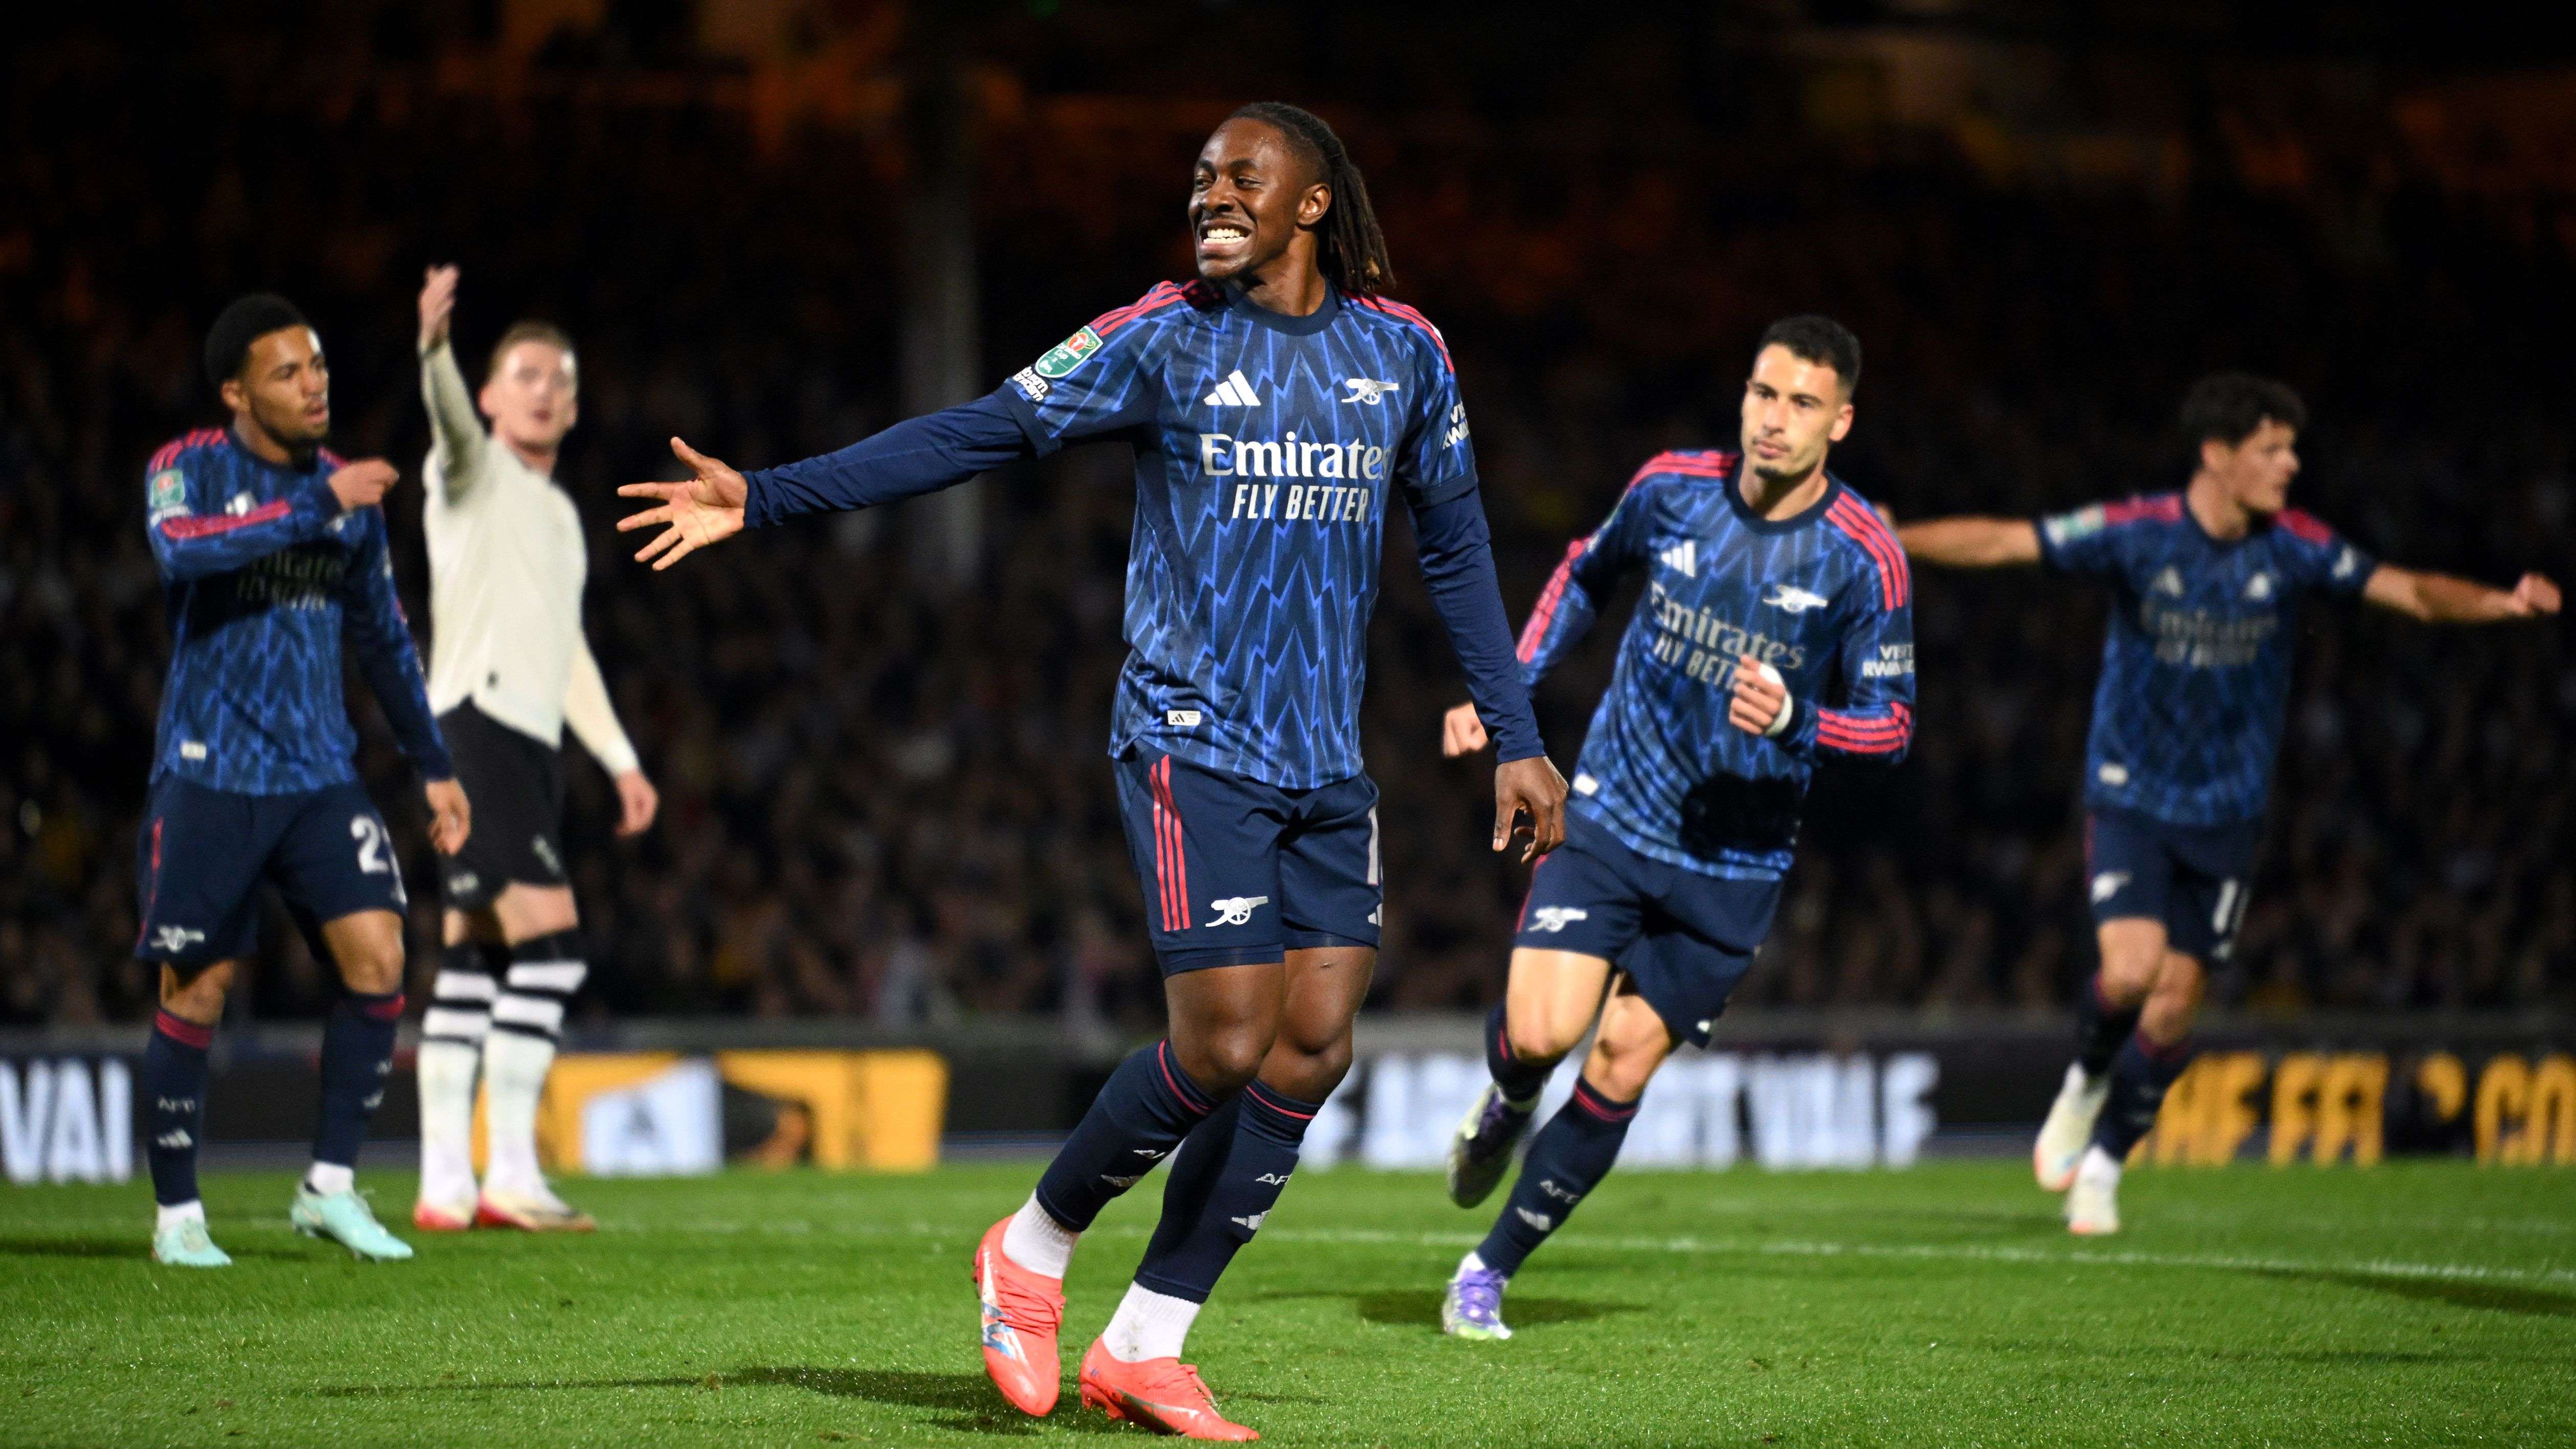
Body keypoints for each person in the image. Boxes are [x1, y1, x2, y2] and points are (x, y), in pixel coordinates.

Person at [620, 101, 1566, 1439]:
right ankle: (1031, 1246)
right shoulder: (1158, 336)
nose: (1211, 193)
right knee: (1225, 1040)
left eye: (1243, 176)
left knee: (1310, 1048)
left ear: (1311, 203)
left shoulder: (1402, 352)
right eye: (1201, 176)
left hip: (1324, 757)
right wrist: (766, 495)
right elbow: (979, 431)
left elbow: (1456, 547)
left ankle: (1146, 1341)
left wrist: (1515, 734)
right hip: (1191, 739)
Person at [1897, 372, 2561, 1233]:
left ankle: (2104, 1164)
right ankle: (2084, 1080)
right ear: (2216, 455)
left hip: (2227, 813)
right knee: (2129, 973)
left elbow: (2407, 592)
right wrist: (1894, 537)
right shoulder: (2137, 532)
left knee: (2174, 1006)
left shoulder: (2293, 546)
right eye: (2271, 449)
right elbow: (2004, 541)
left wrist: (2498, 602)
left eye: (2291, 449)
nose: (2290, 464)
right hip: (2131, 794)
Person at [1436, 316, 1915, 1339]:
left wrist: (1796, 718)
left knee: (1618, 1065)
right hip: (1613, 814)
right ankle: (1508, 1099)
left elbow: (1890, 726)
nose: (1773, 418)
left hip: (1733, 865)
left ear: (1839, 421)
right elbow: (1583, 573)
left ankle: (1487, 1270)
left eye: (1800, 402)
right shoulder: (1670, 489)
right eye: (1761, 392)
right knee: (1539, 1036)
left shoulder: (1862, 556)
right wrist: (1505, 692)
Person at [135, 293, 470, 1267]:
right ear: (236, 393)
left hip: (319, 772)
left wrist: (433, 764)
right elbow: (181, 550)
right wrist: (318, 506)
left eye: (317, 365)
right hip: (210, 770)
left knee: (379, 958)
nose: (314, 383)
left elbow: (384, 637)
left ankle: (328, 1187)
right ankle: (177, 1214)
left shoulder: (343, 491)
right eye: (287, 372)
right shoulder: (186, 467)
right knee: (197, 988)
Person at [409, 266, 659, 1234]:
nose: (545, 389)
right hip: (479, 726)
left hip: (522, 740)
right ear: (488, 397)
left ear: (576, 405)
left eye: (560, 378)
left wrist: (620, 758)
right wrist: (434, 350)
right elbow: (446, 424)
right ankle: (510, 1170)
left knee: (475, 958)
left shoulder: (558, 518)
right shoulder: (470, 473)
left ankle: (444, 1182)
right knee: (549, 947)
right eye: (525, 375)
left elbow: (567, 652)